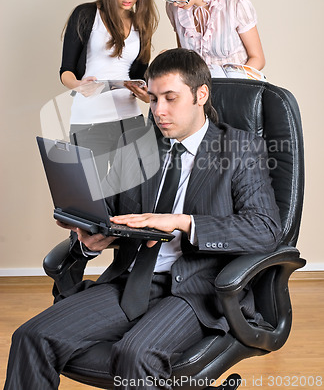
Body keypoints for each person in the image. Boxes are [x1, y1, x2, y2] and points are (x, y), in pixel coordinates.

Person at [3, 49, 282, 390]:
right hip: (132, 281)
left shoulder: (239, 150)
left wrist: (182, 222)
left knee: (135, 354)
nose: (159, 111)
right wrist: (91, 236)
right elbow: (110, 213)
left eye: (170, 98)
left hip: (198, 290)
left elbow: (265, 230)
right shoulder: (136, 145)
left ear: (201, 95)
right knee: (32, 336)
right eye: (152, 99)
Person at [60, 0, 158, 179]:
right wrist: (78, 84)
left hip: (129, 120)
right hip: (89, 120)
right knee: (87, 196)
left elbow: (140, 78)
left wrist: (146, 95)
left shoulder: (141, 25)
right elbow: (65, 71)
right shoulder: (85, 15)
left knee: (130, 197)